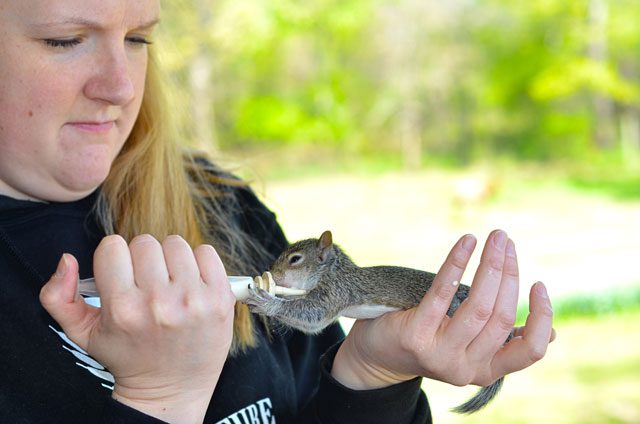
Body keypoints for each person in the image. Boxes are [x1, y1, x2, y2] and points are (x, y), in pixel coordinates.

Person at [0, 0, 555, 422]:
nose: (121, 87)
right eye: (64, 39)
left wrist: (372, 373)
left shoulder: (222, 204)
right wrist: (160, 400)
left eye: (140, 37)